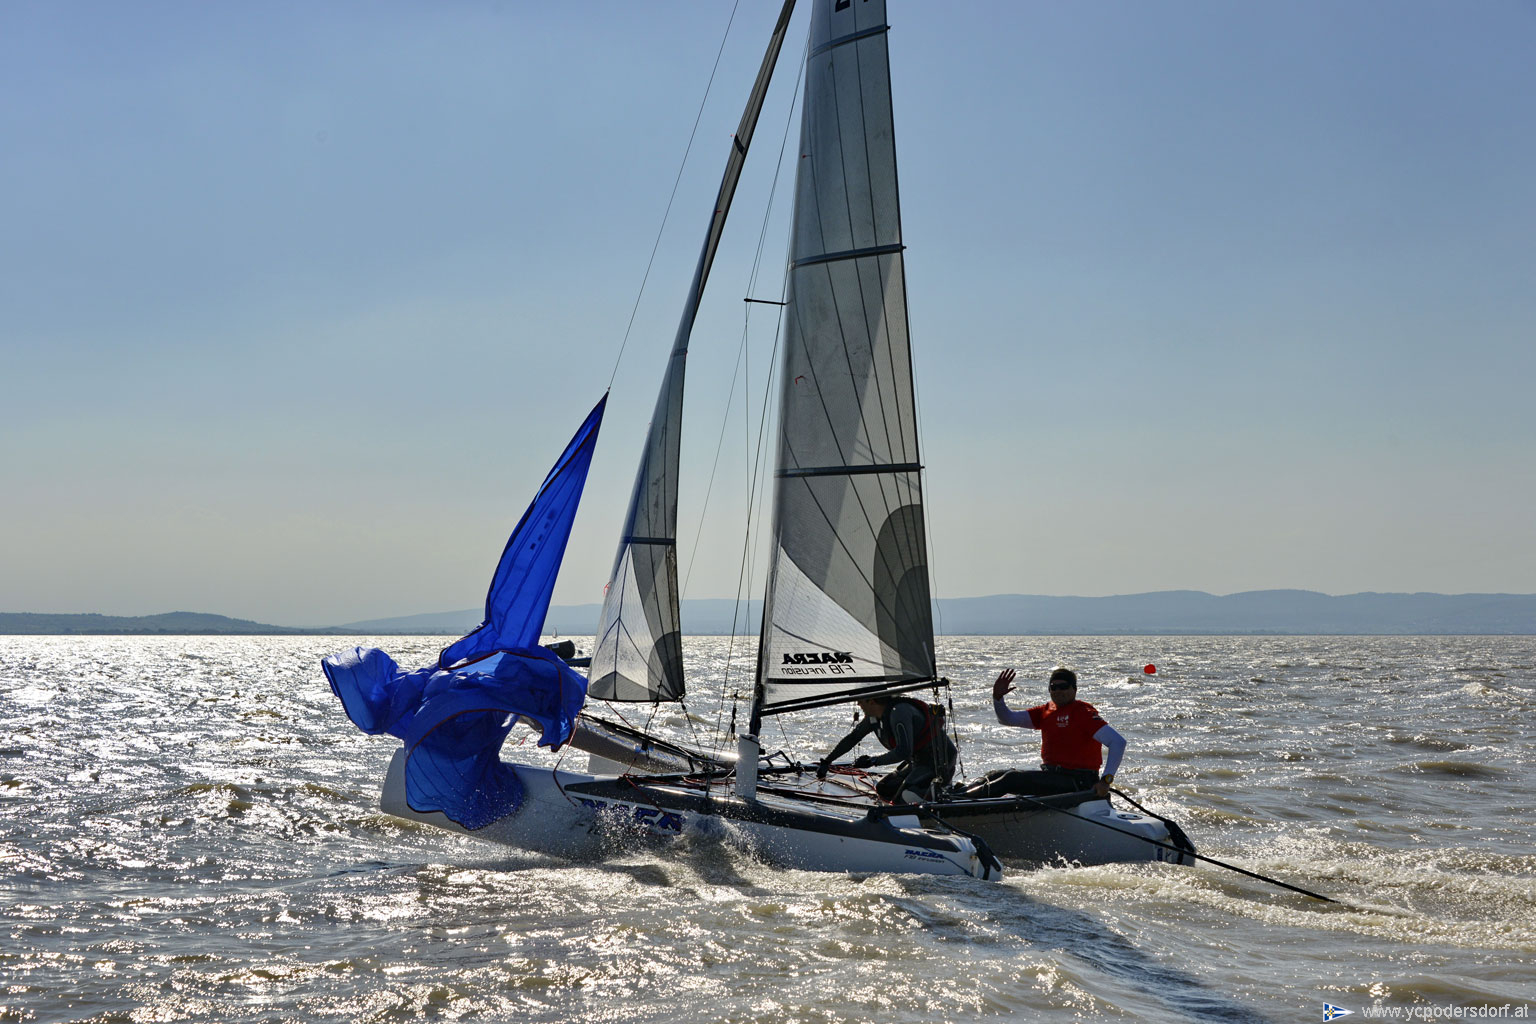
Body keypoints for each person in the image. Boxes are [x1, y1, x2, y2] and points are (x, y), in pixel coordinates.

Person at [957, 667, 1125, 800]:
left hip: (1079, 781)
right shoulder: (1046, 711)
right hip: (1052, 775)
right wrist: (997, 698)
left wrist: (1105, 781)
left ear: (1074, 689)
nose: (1058, 691)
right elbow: (1007, 719)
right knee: (995, 775)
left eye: (1063, 687)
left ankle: (960, 801)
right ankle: (956, 793)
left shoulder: (1083, 713)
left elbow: (1117, 742)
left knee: (1012, 779)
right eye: (1054, 687)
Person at [814, 694, 956, 804]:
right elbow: (852, 738)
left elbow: (903, 751)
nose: (858, 704)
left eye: (860, 701)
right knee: (884, 789)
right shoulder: (873, 718)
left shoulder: (899, 712)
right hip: (917, 761)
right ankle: (929, 790)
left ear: (872, 701)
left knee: (904, 798)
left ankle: (947, 793)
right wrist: (827, 761)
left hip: (937, 761)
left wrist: (873, 761)